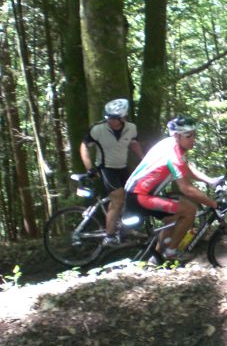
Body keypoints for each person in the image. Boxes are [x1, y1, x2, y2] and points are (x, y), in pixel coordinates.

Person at [124, 115, 219, 259]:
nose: (193, 139)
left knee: (172, 219)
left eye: (194, 135)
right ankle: (171, 252)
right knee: (189, 210)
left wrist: (210, 181)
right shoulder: (173, 155)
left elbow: (186, 168)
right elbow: (186, 189)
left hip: (138, 193)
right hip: (139, 196)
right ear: (177, 136)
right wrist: (214, 204)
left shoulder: (170, 144)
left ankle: (156, 258)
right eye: (189, 136)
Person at [80, 98, 144, 246]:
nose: (110, 121)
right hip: (106, 168)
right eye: (108, 117)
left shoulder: (131, 128)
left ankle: (124, 229)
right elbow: (84, 146)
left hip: (123, 167)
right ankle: (109, 236)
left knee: (133, 195)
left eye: (114, 118)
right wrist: (89, 167)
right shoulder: (97, 129)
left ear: (123, 117)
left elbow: (134, 143)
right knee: (118, 199)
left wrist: (143, 158)